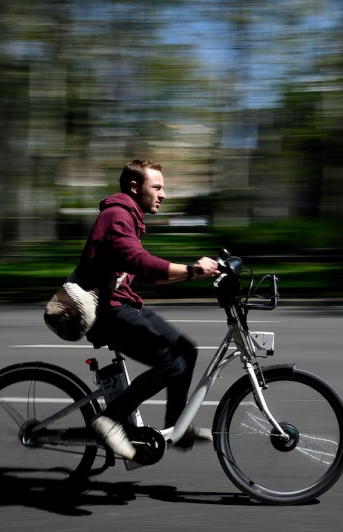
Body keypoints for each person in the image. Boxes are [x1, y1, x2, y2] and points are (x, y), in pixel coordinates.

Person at [76, 159, 219, 460]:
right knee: (173, 363)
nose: (163, 194)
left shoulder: (128, 217)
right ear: (134, 187)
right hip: (108, 311)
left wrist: (200, 273)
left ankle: (175, 428)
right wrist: (192, 269)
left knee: (187, 350)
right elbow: (140, 261)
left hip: (123, 305)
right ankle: (109, 420)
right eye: (157, 187)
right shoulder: (116, 216)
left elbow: (149, 273)